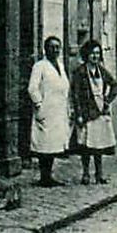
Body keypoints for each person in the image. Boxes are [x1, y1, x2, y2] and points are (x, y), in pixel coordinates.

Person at [70, 40, 117, 186]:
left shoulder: (101, 71)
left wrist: (107, 101)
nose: (95, 56)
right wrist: (78, 113)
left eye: (98, 53)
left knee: (100, 145)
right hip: (87, 112)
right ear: (87, 55)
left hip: (100, 111)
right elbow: (76, 94)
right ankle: (86, 174)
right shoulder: (80, 72)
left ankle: (99, 174)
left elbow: (115, 86)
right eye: (92, 53)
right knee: (86, 145)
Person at [27, 35, 72, 187]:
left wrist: (68, 107)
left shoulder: (60, 65)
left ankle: (49, 175)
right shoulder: (40, 66)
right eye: (52, 47)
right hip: (46, 109)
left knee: (53, 144)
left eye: (57, 47)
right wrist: (39, 104)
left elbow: (64, 86)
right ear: (45, 49)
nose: (55, 50)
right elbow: (32, 88)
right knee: (44, 144)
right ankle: (44, 176)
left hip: (58, 110)